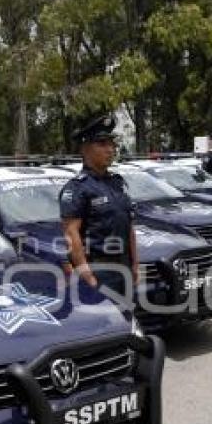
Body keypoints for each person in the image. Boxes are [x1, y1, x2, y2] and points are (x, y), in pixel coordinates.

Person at [59, 114, 138, 307]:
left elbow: (129, 226)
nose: (110, 149)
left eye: (111, 144)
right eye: (102, 144)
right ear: (85, 149)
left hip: (124, 268)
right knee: (106, 326)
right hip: (100, 270)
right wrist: (87, 274)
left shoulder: (117, 183)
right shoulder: (77, 188)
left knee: (128, 323)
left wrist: (135, 264)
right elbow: (71, 233)